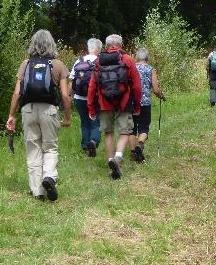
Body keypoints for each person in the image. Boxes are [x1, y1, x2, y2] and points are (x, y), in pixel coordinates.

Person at [5, 30, 71, 201]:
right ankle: (48, 176)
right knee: (50, 147)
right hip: (49, 110)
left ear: (33, 44)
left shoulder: (25, 64)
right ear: (52, 44)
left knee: (33, 148)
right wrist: (67, 117)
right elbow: (65, 95)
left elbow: (17, 93)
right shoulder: (58, 65)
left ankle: (37, 192)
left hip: (28, 110)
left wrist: (11, 115)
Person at [87, 34, 142, 180]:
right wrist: (137, 105)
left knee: (108, 133)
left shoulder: (99, 61)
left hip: (104, 103)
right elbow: (136, 86)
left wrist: (91, 107)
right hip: (124, 102)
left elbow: (92, 86)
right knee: (125, 132)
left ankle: (111, 160)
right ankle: (118, 158)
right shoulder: (128, 60)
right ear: (121, 45)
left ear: (106, 46)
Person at [129, 48, 165, 163]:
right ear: (147, 58)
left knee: (132, 129)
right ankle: (140, 145)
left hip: (131, 102)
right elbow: (155, 89)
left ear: (136, 57)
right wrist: (161, 95)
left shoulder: (131, 68)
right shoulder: (151, 69)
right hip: (144, 103)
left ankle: (133, 153)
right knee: (144, 127)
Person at [68, 38, 102, 157]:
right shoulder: (100, 61)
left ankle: (85, 147)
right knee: (95, 122)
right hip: (95, 99)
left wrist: (68, 96)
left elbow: (72, 80)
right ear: (98, 49)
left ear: (88, 48)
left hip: (79, 98)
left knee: (84, 122)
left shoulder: (79, 61)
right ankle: (93, 141)